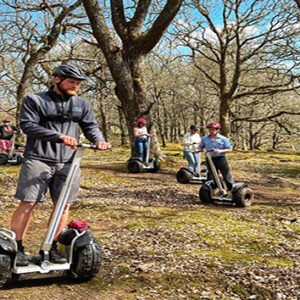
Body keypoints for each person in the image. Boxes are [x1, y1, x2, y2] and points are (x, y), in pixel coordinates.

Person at [11, 64, 111, 266]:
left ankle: (51, 248)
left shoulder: (81, 104)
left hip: (69, 161)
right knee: (28, 202)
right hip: (38, 158)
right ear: (57, 79)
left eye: (78, 83)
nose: (76, 86)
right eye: (72, 82)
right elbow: (28, 126)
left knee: (63, 205)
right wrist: (58, 136)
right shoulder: (35, 100)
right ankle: (16, 247)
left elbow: (90, 126)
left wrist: (99, 140)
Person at [199, 121, 234, 191]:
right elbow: (201, 147)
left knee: (226, 176)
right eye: (210, 129)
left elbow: (230, 149)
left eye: (213, 129)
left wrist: (220, 151)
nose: (211, 131)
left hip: (221, 159)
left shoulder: (223, 139)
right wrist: (197, 150)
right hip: (209, 159)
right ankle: (218, 190)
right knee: (212, 176)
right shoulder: (204, 138)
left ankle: (232, 190)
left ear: (217, 130)